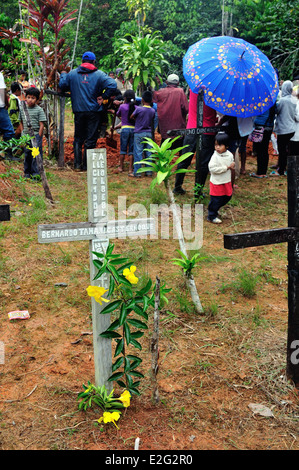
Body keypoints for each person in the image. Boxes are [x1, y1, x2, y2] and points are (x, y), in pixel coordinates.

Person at [58, 51, 117, 171]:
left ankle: (77, 165)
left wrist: (63, 74)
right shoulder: (99, 75)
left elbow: (62, 85)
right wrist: (104, 97)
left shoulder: (73, 74)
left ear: (82, 61)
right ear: (94, 62)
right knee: (91, 138)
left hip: (78, 111)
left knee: (78, 137)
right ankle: (86, 166)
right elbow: (112, 84)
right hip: (94, 111)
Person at [173, 89, 218, 195]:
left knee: (184, 159)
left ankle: (177, 186)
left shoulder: (194, 87)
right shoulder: (215, 91)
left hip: (191, 130)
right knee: (203, 163)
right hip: (207, 131)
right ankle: (198, 191)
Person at [153, 73, 188, 147]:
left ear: (166, 82)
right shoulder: (180, 91)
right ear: (178, 83)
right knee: (180, 146)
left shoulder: (160, 92)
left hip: (164, 126)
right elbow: (186, 108)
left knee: (165, 145)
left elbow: (153, 104)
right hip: (178, 125)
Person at [207, 132, 235, 224]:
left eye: (220, 145)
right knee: (216, 199)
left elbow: (232, 163)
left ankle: (215, 208)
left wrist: (232, 165)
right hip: (217, 182)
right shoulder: (215, 157)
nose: (217, 147)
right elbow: (212, 168)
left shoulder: (230, 155)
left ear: (226, 146)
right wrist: (226, 168)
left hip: (226, 180)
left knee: (227, 196)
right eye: (216, 145)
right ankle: (212, 215)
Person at [19, 86, 47, 178]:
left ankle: (36, 173)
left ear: (37, 99)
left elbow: (41, 124)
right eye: (28, 97)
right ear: (25, 97)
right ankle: (27, 172)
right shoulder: (23, 109)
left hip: (35, 135)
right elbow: (21, 122)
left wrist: (39, 135)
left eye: (33, 98)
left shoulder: (39, 110)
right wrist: (23, 132)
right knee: (27, 154)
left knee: (36, 155)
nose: (30, 100)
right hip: (26, 135)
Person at [271, 80, 296, 176]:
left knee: (281, 150)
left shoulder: (283, 100)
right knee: (287, 149)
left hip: (283, 129)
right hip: (291, 128)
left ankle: (280, 170)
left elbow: (277, 111)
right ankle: (282, 166)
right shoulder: (293, 100)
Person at [130, 90, 155, 178]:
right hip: (148, 133)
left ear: (142, 100)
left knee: (138, 152)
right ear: (151, 100)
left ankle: (137, 172)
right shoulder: (152, 110)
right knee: (149, 152)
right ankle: (149, 172)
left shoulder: (139, 109)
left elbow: (131, 116)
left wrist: (137, 120)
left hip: (139, 132)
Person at [249, 105, 276, 178]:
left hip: (260, 128)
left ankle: (260, 173)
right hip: (269, 127)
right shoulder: (272, 102)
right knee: (264, 149)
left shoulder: (261, 103)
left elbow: (255, 114)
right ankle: (264, 172)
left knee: (260, 150)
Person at [115, 89, 137, 174]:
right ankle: (130, 168)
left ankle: (121, 167)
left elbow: (118, 114)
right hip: (133, 129)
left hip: (124, 129)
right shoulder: (136, 107)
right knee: (131, 150)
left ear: (125, 98)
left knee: (123, 148)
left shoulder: (122, 107)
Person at [0, 63, 16, 160]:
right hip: (0, 106)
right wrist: (7, 102)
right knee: (9, 131)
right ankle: (8, 155)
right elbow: (2, 90)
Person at [290, 86, 299, 156]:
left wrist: (292, 115)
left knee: (294, 150)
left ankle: (294, 166)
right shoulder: (296, 102)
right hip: (295, 129)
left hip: (296, 130)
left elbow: (298, 117)